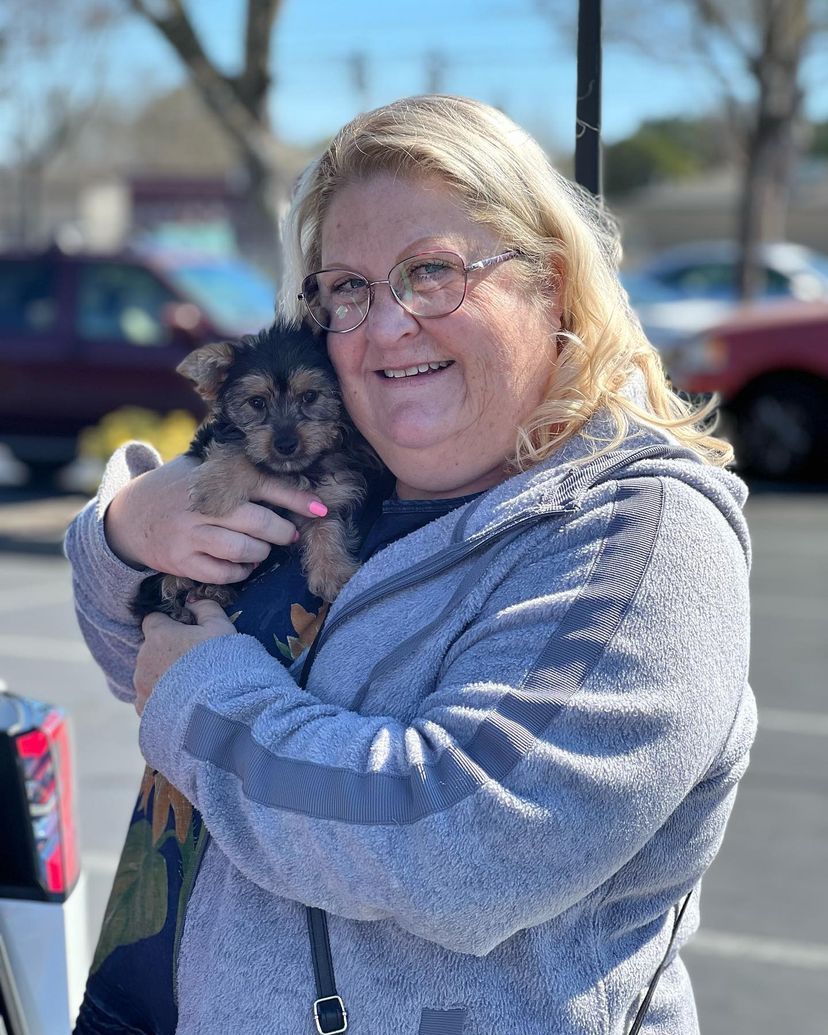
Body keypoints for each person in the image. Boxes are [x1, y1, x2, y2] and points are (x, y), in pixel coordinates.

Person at [66, 95, 754, 1035]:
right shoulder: (351, 472)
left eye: (432, 272)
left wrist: (205, 700)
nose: (387, 324)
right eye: (348, 287)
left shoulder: (639, 538)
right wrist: (122, 535)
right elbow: (144, 668)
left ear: (550, 283)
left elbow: (459, 842)